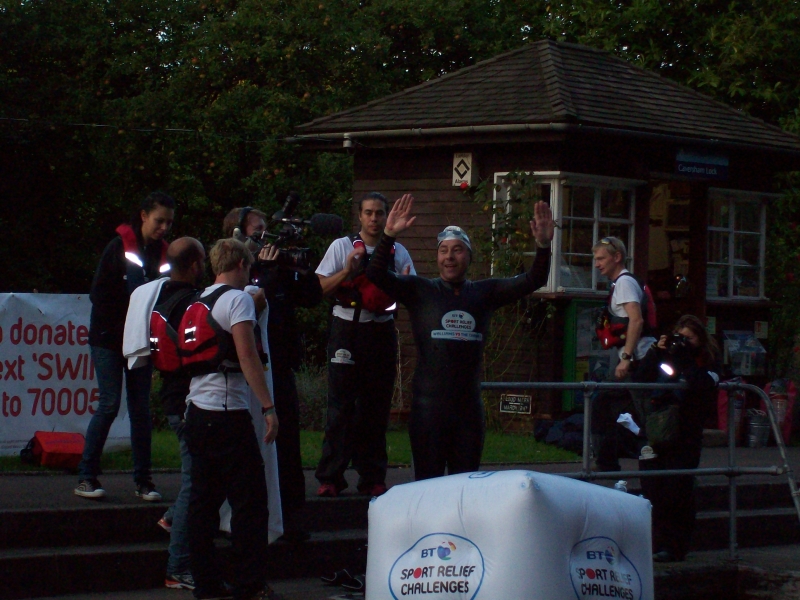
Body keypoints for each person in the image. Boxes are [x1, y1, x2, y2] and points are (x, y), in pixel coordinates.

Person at [366, 194, 554, 480]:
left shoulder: (484, 293)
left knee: (464, 487)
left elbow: (533, 280)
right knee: (428, 485)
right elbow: (376, 273)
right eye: (443, 251)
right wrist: (389, 235)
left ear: (469, 256)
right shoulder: (421, 291)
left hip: (467, 411)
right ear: (437, 256)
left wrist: (542, 246)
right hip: (428, 410)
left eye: (457, 250)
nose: (449, 257)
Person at [184, 238, 283, 600]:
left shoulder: (198, 300)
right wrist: (269, 407)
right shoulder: (237, 299)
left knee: (203, 502)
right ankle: (249, 583)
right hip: (227, 412)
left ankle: (205, 584)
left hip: (196, 408)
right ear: (241, 264)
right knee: (251, 502)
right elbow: (246, 356)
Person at [223, 206, 323, 539]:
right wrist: (264, 271)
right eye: (258, 231)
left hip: (280, 367)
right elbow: (250, 305)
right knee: (250, 449)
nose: (267, 238)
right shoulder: (233, 274)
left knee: (288, 446)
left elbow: (312, 295)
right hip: (247, 373)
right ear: (237, 235)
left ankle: (292, 518)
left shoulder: (275, 268)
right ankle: (246, 519)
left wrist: (297, 266)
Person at [75, 191, 175, 500]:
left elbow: (166, 296)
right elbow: (98, 294)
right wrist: (129, 318)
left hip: (139, 342)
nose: (164, 228)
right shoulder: (118, 247)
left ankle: (144, 482)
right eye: (160, 221)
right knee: (109, 405)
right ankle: (86, 477)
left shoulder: (163, 254)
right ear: (144, 216)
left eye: (169, 223)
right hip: (108, 338)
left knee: (140, 409)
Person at [315, 192, 415, 497]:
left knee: (376, 406)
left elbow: (411, 293)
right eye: (369, 213)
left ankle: (372, 476)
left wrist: (402, 283)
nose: (374, 219)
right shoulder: (342, 247)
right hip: (347, 327)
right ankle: (331, 476)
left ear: (386, 217)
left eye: (380, 213)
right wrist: (347, 271)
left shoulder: (399, 252)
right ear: (359, 216)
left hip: (381, 331)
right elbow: (320, 288)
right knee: (341, 406)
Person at [123, 237, 206, 590]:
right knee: (194, 482)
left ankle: (173, 519)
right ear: (194, 265)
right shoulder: (191, 304)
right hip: (189, 400)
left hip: (171, 396)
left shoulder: (159, 299)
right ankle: (177, 566)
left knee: (203, 476)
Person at [634, 315, 720, 563]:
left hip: (684, 437)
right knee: (652, 489)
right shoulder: (664, 358)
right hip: (653, 433)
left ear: (700, 340)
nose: (683, 343)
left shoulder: (708, 362)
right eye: (679, 337)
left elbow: (700, 383)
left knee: (677, 490)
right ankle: (656, 544)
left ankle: (675, 546)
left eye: (689, 339)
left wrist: (684, 357)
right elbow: (641, 379)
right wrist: (655, 351)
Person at [590, 236, 658, 472]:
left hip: (638, 360)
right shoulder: (624, 283)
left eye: (601, 258)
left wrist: (626, 358)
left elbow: (636, 320)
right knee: (606, 406)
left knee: (637, 412)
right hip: (637, 359)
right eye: (595, 259)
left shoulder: (625, 283)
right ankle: (609, 462)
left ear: (617, 257)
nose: (597, 264)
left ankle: (650, 461)